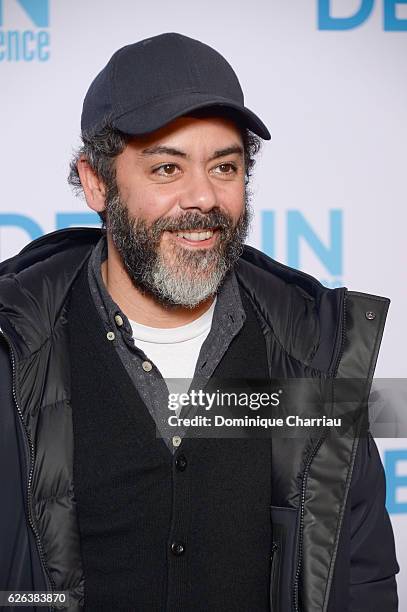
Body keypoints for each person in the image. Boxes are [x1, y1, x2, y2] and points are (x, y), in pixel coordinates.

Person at [0, 32, 399, 612]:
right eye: (166, 168)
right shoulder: (14, 347)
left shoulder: (313, 350)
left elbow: (360, 579)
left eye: (225, 167)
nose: (203, 197)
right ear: (95, 182)